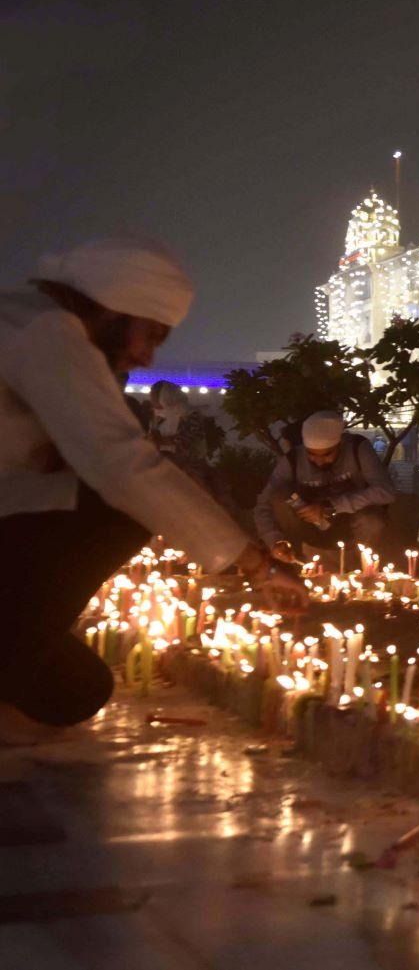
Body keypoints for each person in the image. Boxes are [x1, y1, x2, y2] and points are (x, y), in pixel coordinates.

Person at [0, 238, 289, 740]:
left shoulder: (27, 316)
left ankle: (20, 647)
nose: (148, 356)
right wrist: (254, 562)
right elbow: (121, 463)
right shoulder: (48, 331)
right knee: (121, 512)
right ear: (116, 309)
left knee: (80, 687)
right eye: (150, 334)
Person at [254, 411, 396, 564]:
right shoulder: (293, 460)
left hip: (352, 522)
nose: (319, 461)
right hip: (309, 527)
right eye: (312, 455)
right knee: (279, 498)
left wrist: (331, 506)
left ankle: (363, 570)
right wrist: (274, 541)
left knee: (372, 520)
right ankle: (296, 564)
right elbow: (264, 504)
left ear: (340, 443)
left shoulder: (357, 448)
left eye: (327, 454)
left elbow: (385, 491)